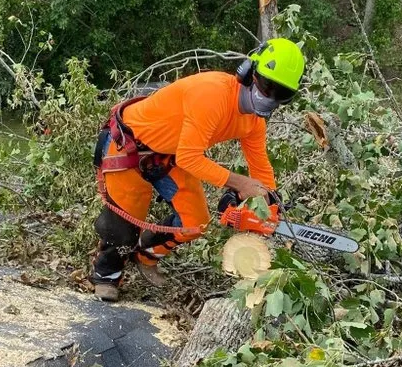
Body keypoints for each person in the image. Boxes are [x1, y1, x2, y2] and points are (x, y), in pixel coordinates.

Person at [92, 38, 306, 301]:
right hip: (128, 146)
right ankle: (106, 275)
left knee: (195, 222)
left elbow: (260, 166)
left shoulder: (253, 123)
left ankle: (146, 255)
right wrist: (240, 184)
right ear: (249, 73)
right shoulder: (212, 94)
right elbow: (189, 157)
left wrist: (269, 201)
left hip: (168, 155)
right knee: (124, 224)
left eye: (281, 94)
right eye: (267, 87)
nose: (270, 98)